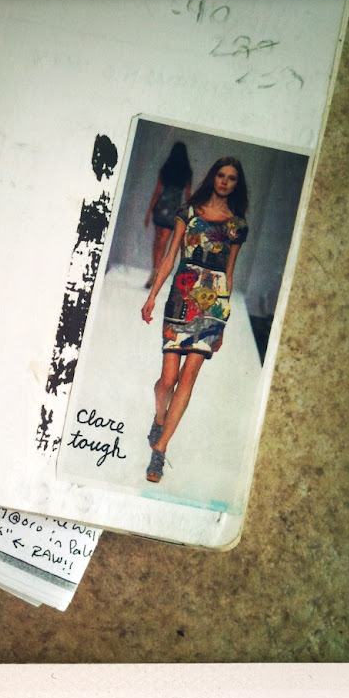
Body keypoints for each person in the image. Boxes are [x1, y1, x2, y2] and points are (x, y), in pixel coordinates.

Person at [140, 156, 249, 483]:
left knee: (188, 378)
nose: (225, 181)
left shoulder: (236, 226)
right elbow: (170, 256)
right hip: (182, 295)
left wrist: (224, 319)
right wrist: (152, 295)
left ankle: (160, 450)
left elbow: (229, 273)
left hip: (212, 303)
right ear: (213, 177)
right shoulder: (188, 212)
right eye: (221, 175)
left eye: (231, 178)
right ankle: (159, 416)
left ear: (236, 184)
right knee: (168, 379)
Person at [144, 142, 192, 288]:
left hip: (160, 207)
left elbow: (157, 192)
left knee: (157, 240)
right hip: (173, 211)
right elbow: (188, 196)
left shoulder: (165, 169)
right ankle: (155, 272)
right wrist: (187, 216)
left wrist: (149, 212)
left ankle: (154, 271)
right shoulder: (187, 173)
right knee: (163, 242)